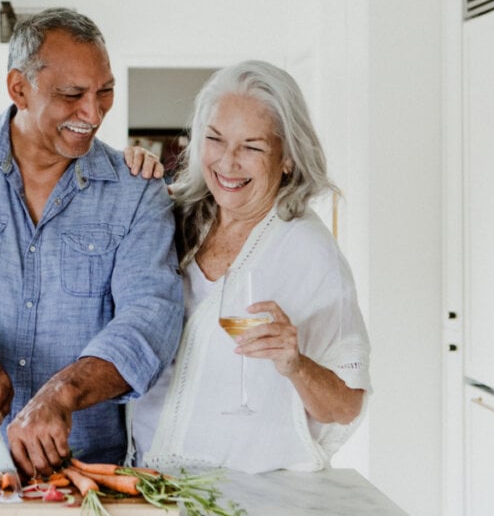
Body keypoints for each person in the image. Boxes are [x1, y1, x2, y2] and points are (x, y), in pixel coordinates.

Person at [0, 8, 184, 476]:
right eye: (71, 95)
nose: (93, 113)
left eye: (105, 92)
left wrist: (62, 393)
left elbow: (150, 321)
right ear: (18, 88)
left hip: (88, 474)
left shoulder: (136, 188)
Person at [130, 60, 371, 474]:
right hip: (147, 479)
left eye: (252, 147)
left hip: (248, 497)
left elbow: (346, 405)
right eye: (215, 139)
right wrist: (126, 176)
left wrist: (296, 364)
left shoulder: (308, 252)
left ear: (288, 158)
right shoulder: (173, 217)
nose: (227, 162)